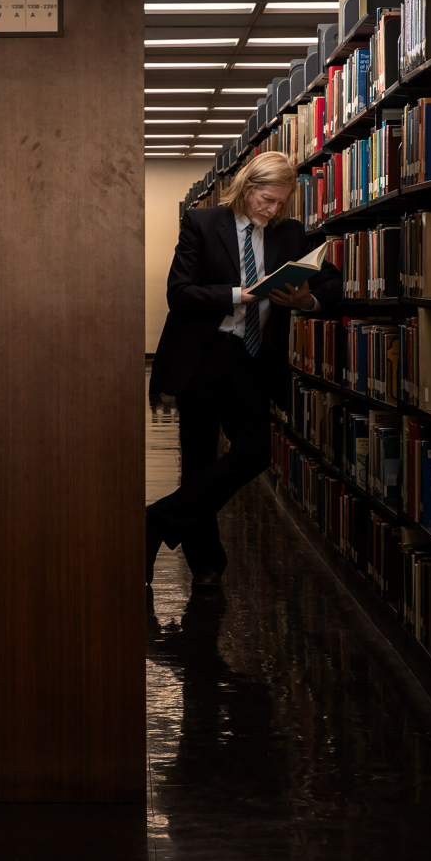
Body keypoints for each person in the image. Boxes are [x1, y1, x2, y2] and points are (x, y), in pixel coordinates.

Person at [145, 150, 341, 589]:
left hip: (251, 357)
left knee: (254, 452)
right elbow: (180, 293)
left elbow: (332, 281)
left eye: (281, 203)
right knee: (198, 460)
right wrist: (239, 294)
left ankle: (157, 521)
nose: (272, 211)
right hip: (204, 353)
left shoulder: (288, 234)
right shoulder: (201, 222)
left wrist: (305, 301)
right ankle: (206, 565)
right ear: (248, 187)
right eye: (267, 200)